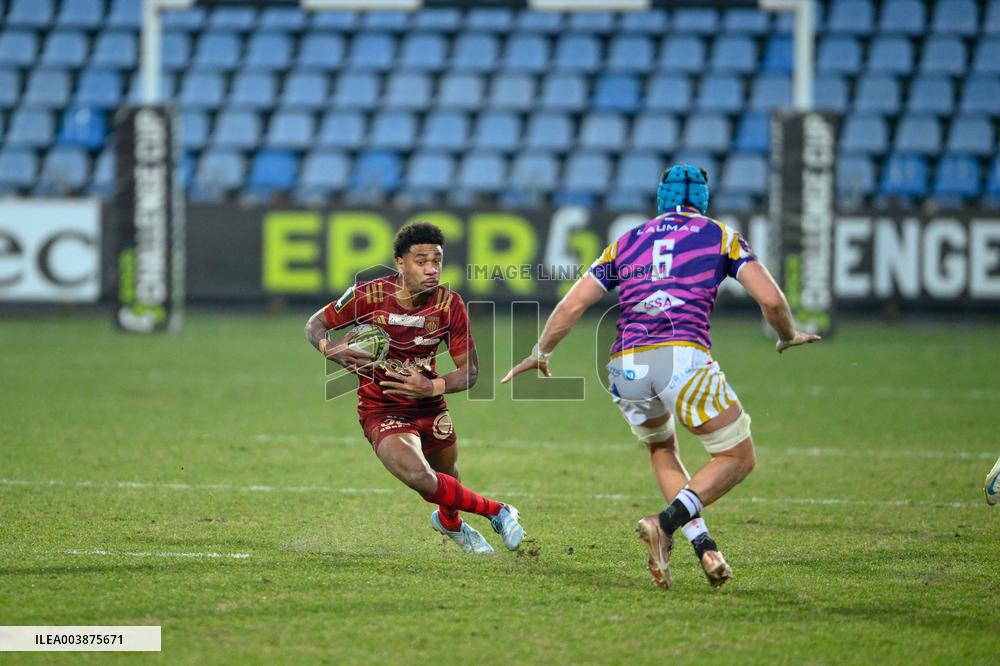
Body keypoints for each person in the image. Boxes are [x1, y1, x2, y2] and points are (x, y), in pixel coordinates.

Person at [503, 165, 819, 589]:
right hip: (681, 357)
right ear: (703, 199)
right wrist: (786, 335)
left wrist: (541, 352)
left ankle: (704, 545)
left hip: (624, 365)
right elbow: (771, 299)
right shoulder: (720, 235)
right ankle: (664, 523)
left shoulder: (625, 241)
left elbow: (573, 305)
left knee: (662, 448)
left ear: (661, 198)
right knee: (738, 457)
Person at [306, 222, 524, 555]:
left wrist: (430, 386)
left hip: (429, 405)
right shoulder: (368, 296)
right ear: (400, 263)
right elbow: (315, 324)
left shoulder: (449, 305)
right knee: (419, 476)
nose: (431, 269)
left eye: (437, 261)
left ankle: (450, 523)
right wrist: (328, 347)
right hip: (382, 408)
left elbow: (471, 372)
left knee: (446, 473)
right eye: (421, 261)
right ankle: (498, 511)